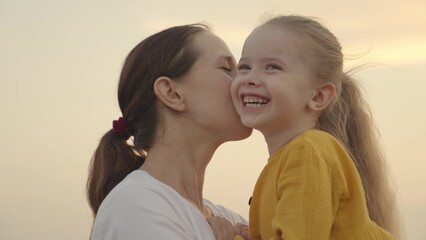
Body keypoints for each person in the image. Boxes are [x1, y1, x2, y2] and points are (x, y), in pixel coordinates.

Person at [230, 15, 404, 239]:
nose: (250, 78)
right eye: (244, 66)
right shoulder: (294, 155)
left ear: (319, 96)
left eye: (272, 67)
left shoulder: (307, 152)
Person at [86, 23, 252, 240]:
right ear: (171, 93)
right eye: (226, 69)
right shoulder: (137, 205)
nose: (243, 81)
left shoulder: (231, 222)